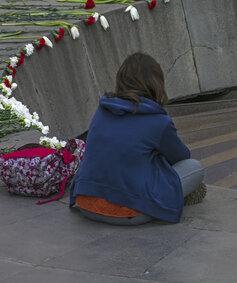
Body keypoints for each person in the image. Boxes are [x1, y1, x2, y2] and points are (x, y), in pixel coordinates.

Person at [69, 52, 205, 225]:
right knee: (194, 168)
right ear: (156, 84)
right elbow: (181, 157)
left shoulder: (103, 109)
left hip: (85, 203)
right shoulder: (159, 121)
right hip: (128, 211)